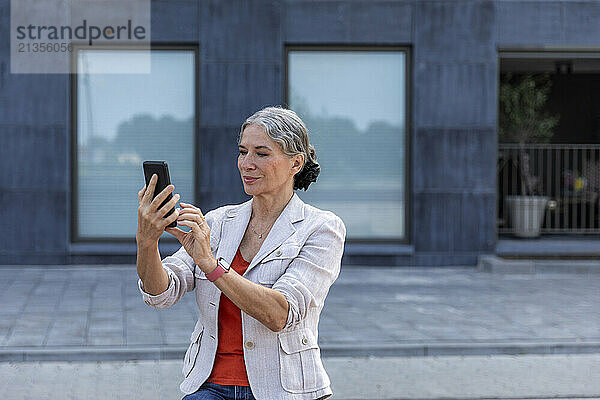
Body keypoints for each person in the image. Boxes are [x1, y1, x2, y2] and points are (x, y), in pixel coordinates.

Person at [136, 106, 346, 400]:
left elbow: (280, 313)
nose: (247, 163)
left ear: (295, 163)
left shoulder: (322, 228)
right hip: (210, 385)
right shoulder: (218, 222)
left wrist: (211, 264)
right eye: (243, 151)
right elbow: (161, 293)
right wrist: (147, 242)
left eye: (261, 153)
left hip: (284, 389)